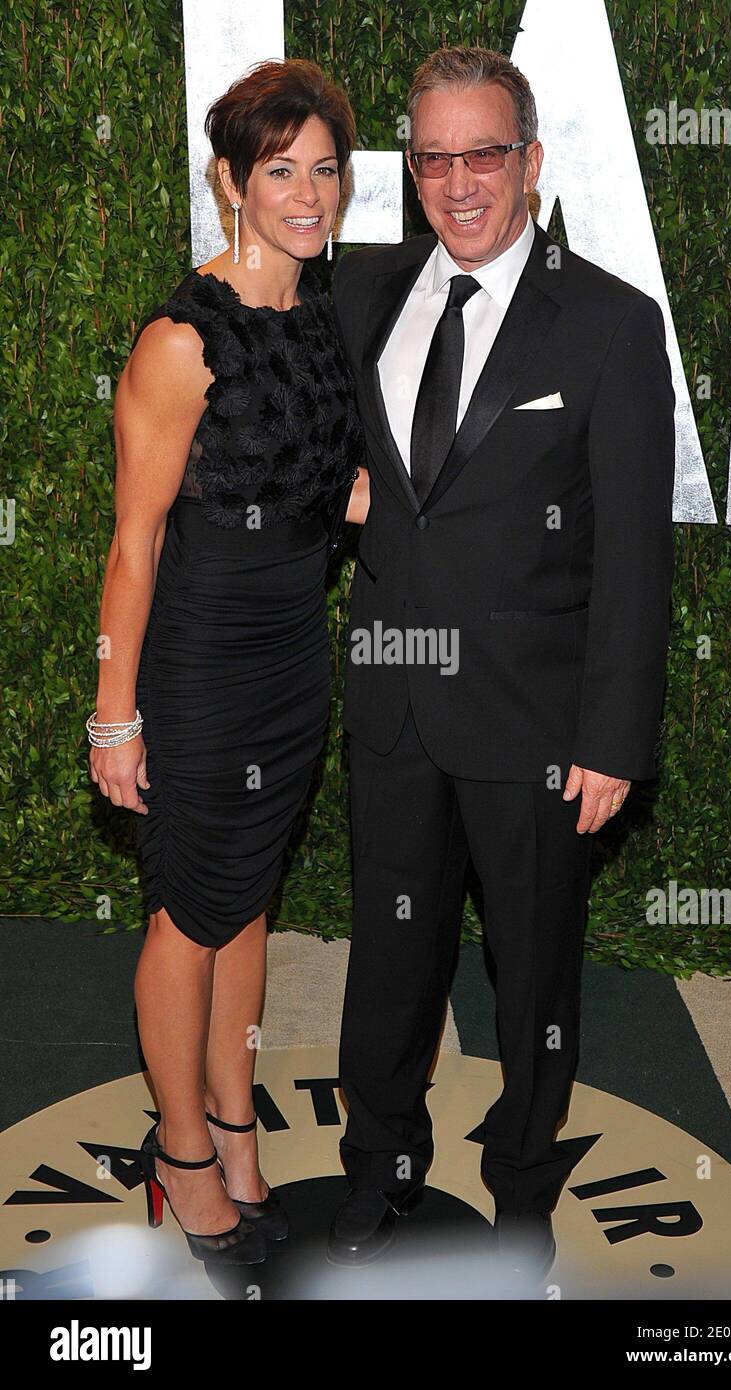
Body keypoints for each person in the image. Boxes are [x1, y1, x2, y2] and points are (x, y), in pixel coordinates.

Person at [328, 45, 675, 1276]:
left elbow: (636, 554)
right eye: (435, 157)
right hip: (393, 705)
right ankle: (378, 1162)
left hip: (535, 723)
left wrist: (612, 737)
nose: (460, 182)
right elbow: (321, 454)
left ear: (529, 160)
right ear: (409, 167)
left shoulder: (611, 325)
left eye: (486, 153)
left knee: (532, 966)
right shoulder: (362, 295)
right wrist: (341, 501)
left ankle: (522, 1184)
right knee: (389, 956)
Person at [88, 58, 368, 1267]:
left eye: (325, 169)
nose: (307, 194)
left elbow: (329, 477)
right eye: (279, 172)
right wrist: (115, 718)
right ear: (229, 183)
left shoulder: (321, 309)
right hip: (199, 662)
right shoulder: (179, 342)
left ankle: (238, 1128)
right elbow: (134, 544)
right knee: (186, 919)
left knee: (247, 907)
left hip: (291, 658)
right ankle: (183, 1152)